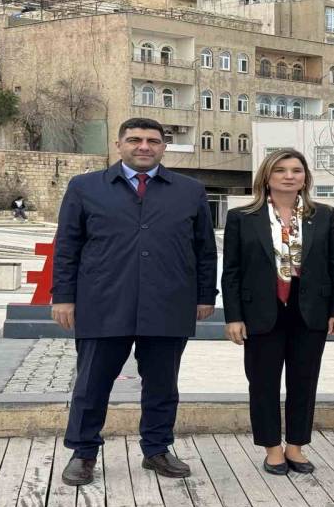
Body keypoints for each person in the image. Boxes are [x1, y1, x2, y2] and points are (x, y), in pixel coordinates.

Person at [51, 117, 217, 486]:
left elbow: (205, 249)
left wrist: (206, 295)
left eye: (153, 141)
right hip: (102, 303)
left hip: (168, 303)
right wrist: (62, 296)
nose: (144, 146)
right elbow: (67, 247)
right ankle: (83, 452)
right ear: (119, 144)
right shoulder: (85, 187)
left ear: (163, 147)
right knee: (91, 384)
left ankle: (157, 449)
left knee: (162, 385)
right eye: (135, 139)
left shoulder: (190, 191)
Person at [221, 149, 334, 476]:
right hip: (262, 311)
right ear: (267, 176)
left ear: (305, 177)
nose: (289, 176)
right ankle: (272, 449)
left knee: (304, 382)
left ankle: (295, 446)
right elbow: (231, 271)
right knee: (262, 383)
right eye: (280, 170)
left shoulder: (324, 215)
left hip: (310, 311)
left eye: (296, 170)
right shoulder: (242, 216)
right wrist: (233, 316)